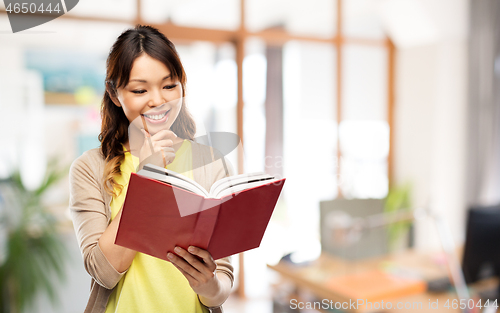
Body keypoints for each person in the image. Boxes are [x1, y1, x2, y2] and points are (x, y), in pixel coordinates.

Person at [69, 25, 234, 313]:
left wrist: (209, 285)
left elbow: (220, 285)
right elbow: (104, 272)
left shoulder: (211, 163)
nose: (158, 100)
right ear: (114, 93)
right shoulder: (89, 168)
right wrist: (147, 176)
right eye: (140, 89)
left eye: (169, 85)